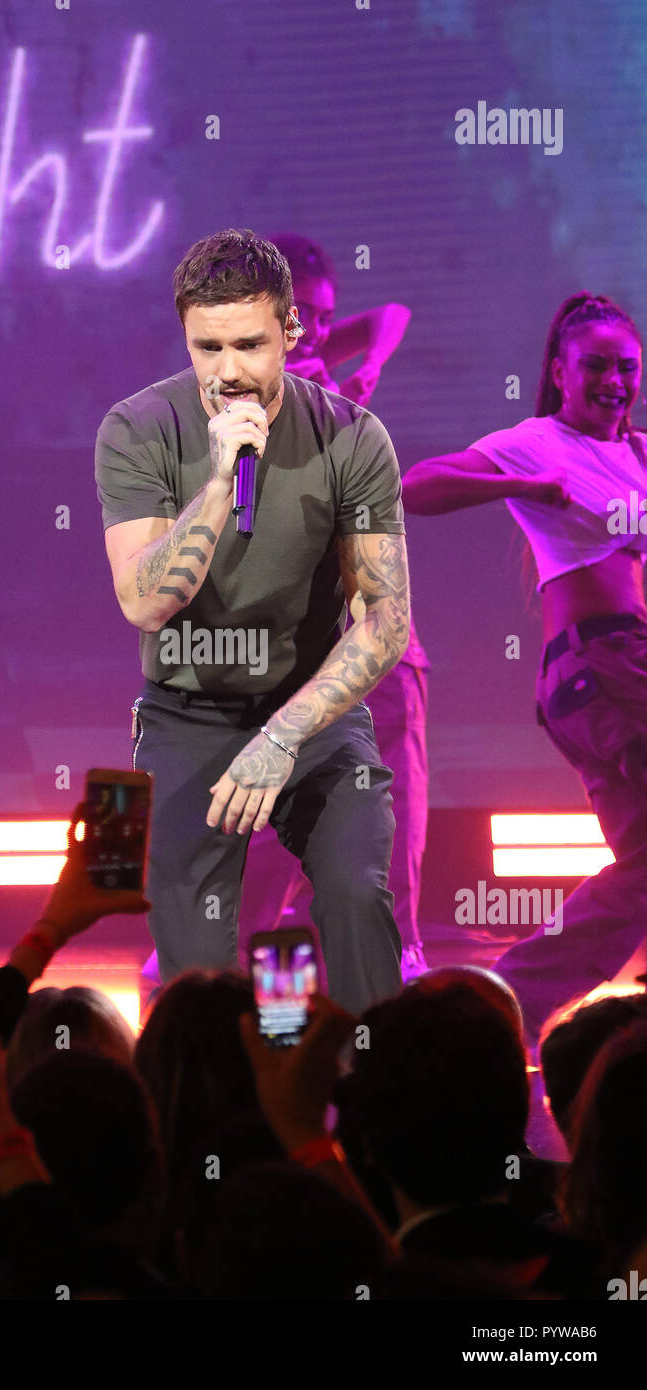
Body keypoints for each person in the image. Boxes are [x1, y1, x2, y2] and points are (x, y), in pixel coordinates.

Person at [96, 227, 411, 1019]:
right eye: (208, 348)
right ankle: (213, 1129)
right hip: (186, 716)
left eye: (249, 344)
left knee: (354, 892)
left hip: (311, 715)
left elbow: (385, 622)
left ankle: (384, 1105)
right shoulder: (137, 430)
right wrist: (213, 483)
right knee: (197, 976)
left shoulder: (352, 437)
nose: (229, 371)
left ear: (291, 333)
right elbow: (144, 602)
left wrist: (282, 738)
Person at [401, 292, 647, 1047]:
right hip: (602, 664)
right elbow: (416, 486)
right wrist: (521, 485)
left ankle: (498, 1006)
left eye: (628, 367)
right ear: (560, 372)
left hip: (611, 669)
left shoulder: (634, 452)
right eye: (597, 365)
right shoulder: (538, 441)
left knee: (643, 867)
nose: (615, 380)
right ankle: (505, 995)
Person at [266, 233, 430, 977]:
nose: (324, 328)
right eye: (307, 314)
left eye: (328, 314)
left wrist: (363, 367)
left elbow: (390, 313)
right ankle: (217, 935)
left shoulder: (320, 356)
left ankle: (400, 941)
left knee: (390, 780)